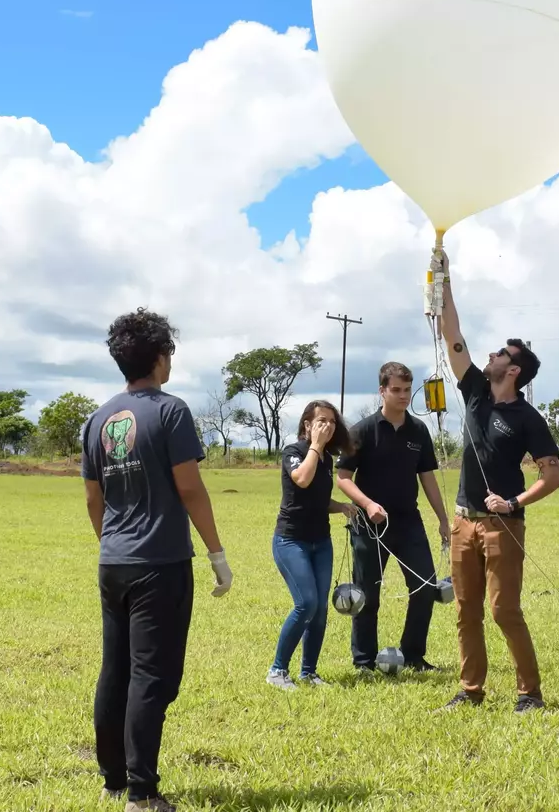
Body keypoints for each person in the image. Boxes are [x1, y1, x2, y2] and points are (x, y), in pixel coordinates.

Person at [81, 309, 231, 812]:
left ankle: (112, 778)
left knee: (115, 669)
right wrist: (216, 552)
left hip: (113, 562)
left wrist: (114, 543)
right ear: (159, 357)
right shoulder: (170, 411)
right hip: (160, 563)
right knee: (152, 675)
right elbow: (190, 487)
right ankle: (142, 793)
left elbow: (92, 500)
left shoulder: (98, 419)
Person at [435, 248, 559, 711]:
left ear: (514, 371)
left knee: (502, 610)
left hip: (502, 525)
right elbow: (453, 334)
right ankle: (471, 692)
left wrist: (515, 501)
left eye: (501, 354)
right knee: (465, 612)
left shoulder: (528, 418)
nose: (489, 354)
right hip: (463, 522)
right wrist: (442, 279)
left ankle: (530, 693)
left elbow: (555, 476)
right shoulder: (473, 390)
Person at [336, 362, 452, 674]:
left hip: (408, 522)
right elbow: (343, 478)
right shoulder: (361, 431)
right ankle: (364, 662)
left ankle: (414, 656)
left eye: (406, 390)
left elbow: (427, 478)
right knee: (367, 596)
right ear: (382, 391)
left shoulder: (418, 431)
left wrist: (443, 519)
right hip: (368, 525)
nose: (403, 396)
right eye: (396, 390)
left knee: (425, 587)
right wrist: (368, 504)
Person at [268, 401, 358, 690]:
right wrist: (316, 446)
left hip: (321, 542)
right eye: (321, 421)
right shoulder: (293, 453)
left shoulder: (326, 460)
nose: (328, 426)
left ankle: (309, 672)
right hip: (290, 540)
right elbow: (302, 480)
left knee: (319, 610)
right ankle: (277, 670)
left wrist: (341, 506)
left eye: (332, 422)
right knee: (305, 604)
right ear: (307, 424)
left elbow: (317, 499)